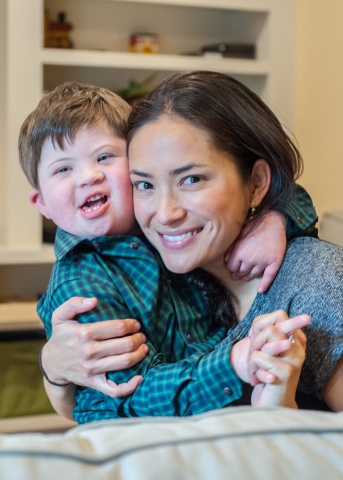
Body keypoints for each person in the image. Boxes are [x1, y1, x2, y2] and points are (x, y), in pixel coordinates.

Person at [18, 81, 315, 423]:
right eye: (63, 169)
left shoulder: (166, 230)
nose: (89, 176)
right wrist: (233, 363)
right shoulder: (82, 285)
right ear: (42, 204)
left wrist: (274, 218)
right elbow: (132, 393)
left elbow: (289, 193)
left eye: (104, 157)